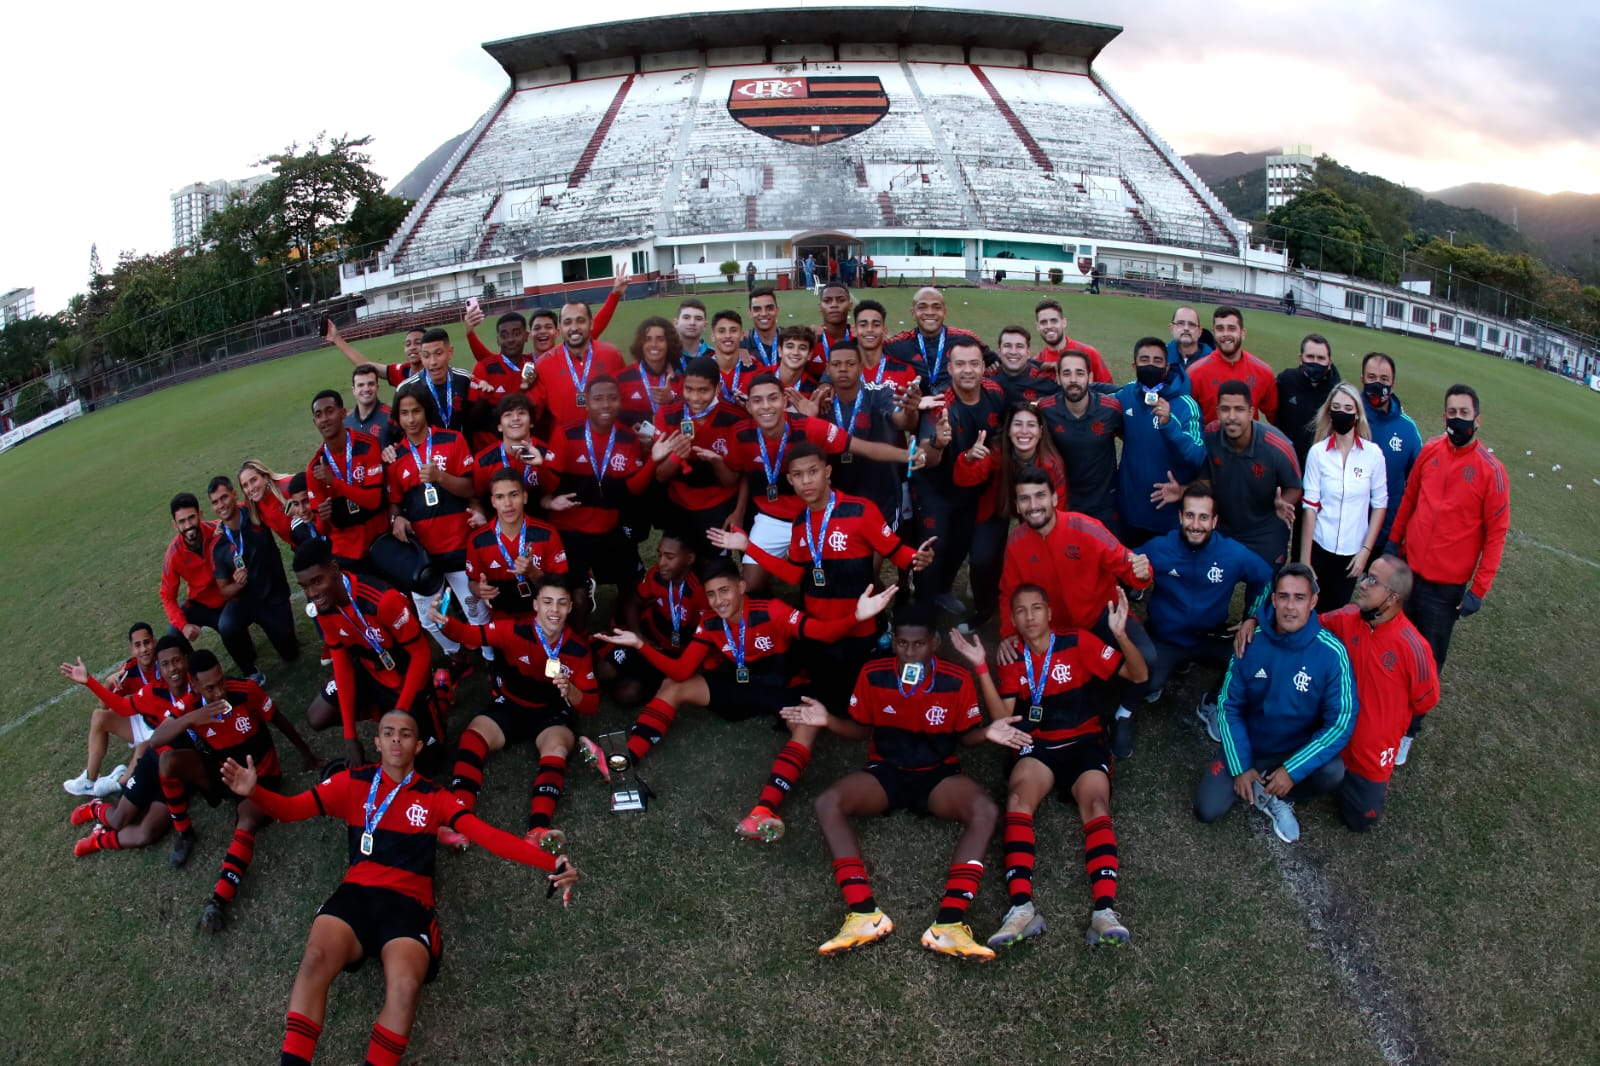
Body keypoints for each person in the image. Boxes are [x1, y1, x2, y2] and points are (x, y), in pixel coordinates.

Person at [220, 708, 576, 1066]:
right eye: (388, 732)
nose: (395, 739)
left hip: (409, 904)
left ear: (418, 746)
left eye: (405, 734)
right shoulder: (352, 782)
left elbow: (491, 838)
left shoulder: (434, 796)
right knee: (314, 959)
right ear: (376, 742)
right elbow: (291, 810)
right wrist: (256, 792)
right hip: (356, 895)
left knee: (405, 987)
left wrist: (552, 863)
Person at [590, 563, 899, 840]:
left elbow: (820, 632)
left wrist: (857, 615)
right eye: (711, 594)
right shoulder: (709, 622)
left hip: (787, 690)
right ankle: (623, 760)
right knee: (674, 685)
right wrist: (640, 644)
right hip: (744, 687)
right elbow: (682, 670)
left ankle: (764, 810)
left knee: (805, 726)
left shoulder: (772, 610)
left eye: (724, 590)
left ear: (741, 586)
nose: (718, 600)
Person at [781, 607, 999, 961]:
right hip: (885, 772)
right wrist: (827, 720)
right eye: (902, 644)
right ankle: (864, 913)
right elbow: (860, 730)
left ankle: (949, 923)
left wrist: (988, 731)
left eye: (918, 644)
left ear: (934, 643)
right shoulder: (873, 673)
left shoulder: (956, 679)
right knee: (827, 803)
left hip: (937, 775)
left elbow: (965, 738)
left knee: (985, 810)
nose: (909, 652)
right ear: (893, 643)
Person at [954, 584, 1147, 948]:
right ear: (1012, 620)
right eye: (1022, 611)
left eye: (1037, 608)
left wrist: (1120, 634)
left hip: (1084, 741)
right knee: (1017, 800)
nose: (1030, 617)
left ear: (1049, 613)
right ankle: (1021, 908)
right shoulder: (1012, 656)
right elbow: (1003, 721)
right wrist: (981, 667)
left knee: (1096, 806)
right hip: (1037, 744)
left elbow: (1138, 676)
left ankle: (1104, 912)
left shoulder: (1078, 642)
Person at [710, 443, 935, 710]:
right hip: (817, 627)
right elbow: (794, 574)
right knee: (825, 695)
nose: (806, 481)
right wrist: (749, 547)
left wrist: (917, 559)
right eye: (798, 475)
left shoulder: (861, 510)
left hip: (858, 625)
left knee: (858, 701)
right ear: (790, 480)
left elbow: (898, 553)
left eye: (813, 471)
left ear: (827, 472)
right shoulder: (799, 522)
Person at [145, 648, 319, 931]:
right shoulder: (189, 704)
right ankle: (185, 833)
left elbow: (278, 719)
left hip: (260, 777)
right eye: (210, 687)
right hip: (224, 773)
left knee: (246, 817)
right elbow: (155, 741)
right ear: (195, 685)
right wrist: (191, 719)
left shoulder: (246, 690)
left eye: (221, 682)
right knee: (167, 760)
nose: (219, 692)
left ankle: (218, 901)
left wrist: (306, 754)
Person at [431, 575, 598, 854]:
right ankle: (460, 821)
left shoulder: (577, 649)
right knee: (472, 737)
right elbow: (469, 635)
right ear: (535, 605)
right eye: (547, 602)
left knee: (556, 748)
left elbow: (591, 705)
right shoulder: (514, 630)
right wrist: (444, 620)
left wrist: (571, 691)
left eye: (561, 603)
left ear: (570, 607)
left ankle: (537, 828)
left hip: (550, 715)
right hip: (510, 705)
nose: (553, 610)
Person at [1384, 384, 1508, 758]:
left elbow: (1496, 533)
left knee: (1427, 657)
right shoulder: (1431, 451)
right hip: (1409, 573)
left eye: (1464, 414)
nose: (1457, 420)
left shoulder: (1491, 471)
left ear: (1477, 419)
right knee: (1393, 642)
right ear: (1444, 417)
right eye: (1451, 413)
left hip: (1446, 588)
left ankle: (1410, 729)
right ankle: (1387, 710)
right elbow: (1409, 497)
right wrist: (1393, 542)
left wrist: (1479, 590)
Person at [1194, 564, 1355, 843]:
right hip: (1252, 745)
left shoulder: (1332, 653)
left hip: (1296, 748)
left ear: (1313, 602)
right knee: (1206, 809)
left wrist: (1293, 770)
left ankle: (1280, 794)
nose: (1290, 606)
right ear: (1273, 599)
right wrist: (1241, 765)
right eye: (1283, 596)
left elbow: (1341, 721)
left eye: (1299, 598)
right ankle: (1256, 775)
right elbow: (1229, 705)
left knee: (1333, 771)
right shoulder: (1250, 641)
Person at [725, 373, 907, 595]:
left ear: (784, 401)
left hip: (816, 513)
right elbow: (742, 473)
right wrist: (738, 510)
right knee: (751, 586)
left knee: (857, 575)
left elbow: (862, 447)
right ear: (749, 406)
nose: (766, 406)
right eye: (757, 400)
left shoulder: (810, 427)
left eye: (773, 398)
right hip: (772, 517)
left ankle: (878, 614)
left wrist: (909, 456)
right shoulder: (740, 434)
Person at [1136, 484, 1274, 746]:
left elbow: (1265, 578)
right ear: (1180, 517)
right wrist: (1135, 572)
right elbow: (1124, 564)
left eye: (1203, 517)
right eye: (1189, 516)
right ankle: (1166, 671)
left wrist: (1252, 617)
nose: (1195, 524)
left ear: (1214, 521)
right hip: (1167, 638)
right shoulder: (1159, 547)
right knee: (1144, 683)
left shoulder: (1231, 553)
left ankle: (1212, 702)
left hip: (1210, 636)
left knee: (1254, 657)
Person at [538, 375, 677, 627]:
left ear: (620, 402)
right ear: (587, 403)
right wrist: (541, 469)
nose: (605, 405)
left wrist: (653, 460)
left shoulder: (627, 437)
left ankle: (628, 631)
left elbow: (634, 488)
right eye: (598, 399)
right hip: (571, 532)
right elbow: (550, 484)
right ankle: (579, 646)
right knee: (578, 599)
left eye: (612, 398)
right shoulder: (566, 433)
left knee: (633, 586)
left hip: (609, 527)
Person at [294, 539, 441, 773]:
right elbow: (342, 666)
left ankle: (440, 692)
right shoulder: (324, 607)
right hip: (369, 671)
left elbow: (422, 654)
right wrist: (350, 736)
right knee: (317, 716)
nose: (312, 594)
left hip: (405, 678)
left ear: (334, 570)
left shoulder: (383, 600)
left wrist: (398, 713)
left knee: (428, 764)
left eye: (316, 581)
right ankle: (379, 712)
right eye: (304, 586)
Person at [1319, 556, 1439, 830]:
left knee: (1361, 820)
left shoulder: (1413, 648)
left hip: (1370, 757)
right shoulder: (1346, 618)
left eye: (1373, 581)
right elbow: (1309, 628)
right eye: (1366, 576)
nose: (1363, 584)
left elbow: (1425, 700)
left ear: (1392, 598)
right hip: (1331, 733)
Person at [60, 633, 201, 858]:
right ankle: (95, 808)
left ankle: (100, 841)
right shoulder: (153, 691)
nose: (173, 669)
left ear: (186, 659)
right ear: (159, 669)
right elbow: (121, 706)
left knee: (147, 833)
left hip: (176, 771)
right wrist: (90, 682)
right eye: (165, 664)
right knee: (118, 820)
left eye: (177, 661)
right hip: (153, 763)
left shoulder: (200, 686)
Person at [385, 384, 491, 661]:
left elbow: (470, 489)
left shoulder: (452, 440)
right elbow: (395, 500)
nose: (411, 419)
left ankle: (493, 662)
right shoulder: (396, 457)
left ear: (426, 411)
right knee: (429, 618)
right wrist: (396, 517)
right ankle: (456, 655)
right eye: (404, 413)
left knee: (476, 612)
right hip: (424, 555)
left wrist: (440, 477)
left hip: (458, 546)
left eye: (416, 411)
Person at [1155, 380, 1303, 569]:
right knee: (1210, 579)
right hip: (1223, 527)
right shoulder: (1210, 436)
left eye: (1239, 409)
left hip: (1264, 532)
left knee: (1265, 587)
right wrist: (1182, 490)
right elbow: (1206, 484)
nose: (1231, 416)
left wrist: (1283, 502)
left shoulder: (1278, 446)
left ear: (1251, 412)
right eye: (1225, 409)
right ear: (1217, 412)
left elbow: (1295, 487)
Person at [909, 340, 1008, 616]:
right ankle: (924, 604)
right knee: (933, 546)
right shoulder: (941, 404)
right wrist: (939, 443)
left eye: (974, 364)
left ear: (983, 368)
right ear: (950, 368)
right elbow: (926, 457)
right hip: (935, 490)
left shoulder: (995, 393)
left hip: (971, 488)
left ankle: (942, 591)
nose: (968, 371)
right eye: (961, 364)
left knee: (960, 544)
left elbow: (1002, 428)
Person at [952, 402, 1067, 624]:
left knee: (1037, 558)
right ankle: (984, 608)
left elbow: (1058, 507)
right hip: (998, 504)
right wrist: (968, 459)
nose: (1024, 431)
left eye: (1031, 425)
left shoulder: (1052, 464)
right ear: (1008, 428)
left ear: (1041, 431)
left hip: (1036, 510)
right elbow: (964, 478)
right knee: (981, 559)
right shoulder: (996, 449)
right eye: (1018, 424)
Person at [1299, 383, 1388, 611]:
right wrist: (1305, 560)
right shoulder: (1318, 453)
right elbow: (1310, 508)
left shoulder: (1373, 455)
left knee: (1336, 613)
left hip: (1351, 553)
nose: (1342, 413)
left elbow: (1379, 505)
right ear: (1329, 412)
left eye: (1348, 408)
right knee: (1310, 610)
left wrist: (1365, 552)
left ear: (1357, 413)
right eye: (1336, 407)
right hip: (1320, 546)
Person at [810, 339, 918, 528]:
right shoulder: (820, 401)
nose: (843, 369)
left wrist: (910, 410)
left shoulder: (879, 393)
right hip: (837, 488)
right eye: (836, 364)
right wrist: (808, 415)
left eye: (850, 364)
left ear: (860, 367)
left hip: (879, 488)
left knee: (874, 552)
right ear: (827, 368)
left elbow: (902, 421)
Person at [651, 356, 749, 557]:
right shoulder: (668, 413)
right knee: (678, 562)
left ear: (718, 388)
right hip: (678, 502)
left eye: (703, 390)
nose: (695, 398)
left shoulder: (735, 418)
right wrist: (677, 456)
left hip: (718, 503)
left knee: (712, 565)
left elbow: (731, 480)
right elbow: (660, 476)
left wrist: (716, 461)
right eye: (689, 389)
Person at [207, 475, 299, 684]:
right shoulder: (217, 544)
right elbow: (224, 591)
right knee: (227, 626)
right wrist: (237, 585)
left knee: (290, 653)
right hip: (245, 602)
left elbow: (274, 497)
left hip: (273, 597)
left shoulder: (256, 513)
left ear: (234, 494)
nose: (221, 505)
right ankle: (249, 669)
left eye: (224, 497)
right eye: (215, 502)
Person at [599, 530, 708, 707]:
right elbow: (634, 600)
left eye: (669, 557)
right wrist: (638, 635)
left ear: (690, 559)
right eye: (659, 554)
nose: (661, 562)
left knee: (626, 695)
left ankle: (645, 679)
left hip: (671, 654)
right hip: (647, 635)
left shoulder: (700, 590)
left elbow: (708, 634)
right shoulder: (657, 574)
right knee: (605, 671)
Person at [1113, 336, 1203, 546]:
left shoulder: (1184, 404)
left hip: (1169, 518)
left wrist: (1169, 423)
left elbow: (1197, 456)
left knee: (1166, 577)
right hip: (1130, 513)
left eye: (1157, 360)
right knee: (1130, 575)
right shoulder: (1126, 394)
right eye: (1144, 360)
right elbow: (1102, 406)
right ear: (1134, 365)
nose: (1150, 365)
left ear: (1167, 366)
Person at [63, 622, 159, 799]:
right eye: (137, 645)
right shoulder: (129, 671)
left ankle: (118, 780)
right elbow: (103, 706)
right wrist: (108, 682)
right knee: (99, 717)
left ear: (154, 641)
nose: (144, 649)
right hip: (144, 721)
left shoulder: (166, 661)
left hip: (164, 726)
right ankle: (89, 779)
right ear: (131, 649)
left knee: (129, 780)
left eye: (147, 642)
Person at [465, 469, 568, 622]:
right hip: (501, 619)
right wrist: (479, 590)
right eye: (500, 497)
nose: (507, 504)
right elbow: (472, 582)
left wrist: (533, 573)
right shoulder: (478, 540)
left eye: (514, 495)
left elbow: (561, 587)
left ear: (524, 497)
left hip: (543, 617)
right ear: (493, 502)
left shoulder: (547, 533)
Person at [1036, 351, 1122, 528]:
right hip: (1064, 501)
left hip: (1104, 502)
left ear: (1090, 377)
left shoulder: (1110, 409)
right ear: (1058, 378)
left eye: (1080, 373)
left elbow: (1132, 441)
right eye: (1067, 373)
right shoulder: (1045, 410)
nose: (1073, 379)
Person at [305, 390, 387, 569]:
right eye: (319, 415)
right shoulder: (314, 469)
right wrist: (324, 518)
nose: (324, 419)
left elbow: (373, 501)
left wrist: (334, 482)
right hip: (346, 553)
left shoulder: (368, 445)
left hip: (380, 542)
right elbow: (322, 529)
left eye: (330, 411)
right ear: (315, 422)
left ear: (343, 413)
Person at [524, 301, 626, 436]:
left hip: (609, 443)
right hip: (565, 447)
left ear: (591, 324)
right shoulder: (544, 364)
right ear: (560, 328)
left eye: (580, 321)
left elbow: (627, 399)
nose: (574, 328)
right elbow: (531, 411)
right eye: (567, 322)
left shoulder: (612, 355)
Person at [1359, 352, 1422, 554]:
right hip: (1345, 531)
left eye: (1384, 379)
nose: (1378, 384)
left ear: (1393, 384)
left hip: (1387, 534)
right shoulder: (1347, 418)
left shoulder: (1408, 429)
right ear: (1362, 380)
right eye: (1371, 378)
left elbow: (1419, 480)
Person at [884, 287, 992, 392]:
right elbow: (872, 350)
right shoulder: (899, 343)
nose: (930, 312)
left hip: (956, 408)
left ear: (944, 312)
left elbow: (993, 363)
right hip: (918, 407)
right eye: (922, 307)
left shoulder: (966, 338)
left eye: (936, 307)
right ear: (913, 313)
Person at [158, 491, 225, 654]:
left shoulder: (219, 530)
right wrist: (184, 625)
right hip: (200, 603)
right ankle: (191, 674)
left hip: (229, 597)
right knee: (174, 633)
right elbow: (167, 596)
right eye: (182, 521)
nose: (188, 526)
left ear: (200, 515)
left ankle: (250, 671)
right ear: (175, 524)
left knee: (231, 630)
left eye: (191, 518)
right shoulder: (172, 555)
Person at [1188, 306, 1279, 424]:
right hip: (1209, 441)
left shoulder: (1263, 372)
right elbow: (1186, 420)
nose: (1225, 334)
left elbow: (1276, 420)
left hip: (1248, 442)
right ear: (1214, 333)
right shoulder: (1194, 373)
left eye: (1231, 328)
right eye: (1220, 329)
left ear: (1243, 333)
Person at [469, 393, 549, 507]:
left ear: (531, 423)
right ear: (499, 426)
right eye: (508, 414)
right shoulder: (483, 461)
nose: (515, 418)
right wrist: (479, 514)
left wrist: (542, 466)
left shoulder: (547, 455)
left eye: (521, 413)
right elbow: (476, 501)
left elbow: (552, 494)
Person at [1273, 334, 1341, 466]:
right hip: (1287, 461)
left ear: (1329, 362)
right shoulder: (1286, 380)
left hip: (1322, 465)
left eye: (1321, 358)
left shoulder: (1336, 391)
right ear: (1301, 358)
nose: (1315, 362)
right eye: (1310, 357)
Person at [405, 328, 478, 440]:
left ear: (450, 352)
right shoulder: (407, 388)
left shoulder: (465, 380)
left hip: (461, 452)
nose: (433, 362)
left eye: (438, 353)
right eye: (426, 356)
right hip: (428, 455)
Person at [618, 316, 684, 434]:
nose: (653, 344)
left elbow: (690, 419)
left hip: (669, 447)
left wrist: (672, 401)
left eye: (660, 339)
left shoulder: (679, 382)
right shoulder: (621, 379)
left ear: (669, 343)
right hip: (635, 447)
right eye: (647, 339)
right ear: (640, 343)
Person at [326, 319, 424, 387]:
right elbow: (364, 365)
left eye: (418, 343)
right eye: (408, 344)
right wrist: (336, 338)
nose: (412, 347)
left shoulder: (436, 373)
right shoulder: (401, 371)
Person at [1033, 299, 1112, 383]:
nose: (1049, 326)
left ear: (1064, 323)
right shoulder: (1037, 363)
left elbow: (1110, 392)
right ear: (1037, 326)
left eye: (1054, 321)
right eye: (1043, 322)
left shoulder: (1089, 353)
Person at [990, 325, 1060, 405]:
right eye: (1007, 346)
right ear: (999, 351)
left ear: (1028, 352)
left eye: (1019, 346)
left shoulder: (1048, 379)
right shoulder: (986, 378)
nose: (1013, 352)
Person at [238, 459, 297, 544]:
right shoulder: (253, 504)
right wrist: (220, 523)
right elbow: (232, 510)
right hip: (298, 547)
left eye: (253, 480)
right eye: (245, 485)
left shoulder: (288, 485)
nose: (250, 488)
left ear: (265, 477)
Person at [346, 364, 392, 437]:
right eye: (360, 385)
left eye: (371, 384)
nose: (366, 389)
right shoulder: (346, 422)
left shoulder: (392, 417)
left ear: (377, 387)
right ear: (353, 390)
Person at [742, 288, 782, 368]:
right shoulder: (742, 343)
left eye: (769, 308)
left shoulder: (790, 339)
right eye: (757, 309)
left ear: (777, 311)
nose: (763, 313)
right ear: (750, 313)